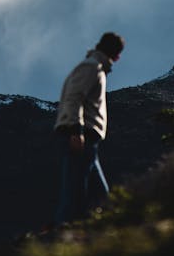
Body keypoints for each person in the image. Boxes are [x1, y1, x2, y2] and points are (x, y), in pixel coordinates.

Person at [54, 32, 125, 224]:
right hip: (81, 136)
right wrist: (76, 131)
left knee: (99, 194)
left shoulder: (93, 67)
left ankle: (109, 229)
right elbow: (74, 98)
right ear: (116, 55)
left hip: (87, 139)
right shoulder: (91, 68)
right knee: (74, 193)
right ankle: (61, 238)